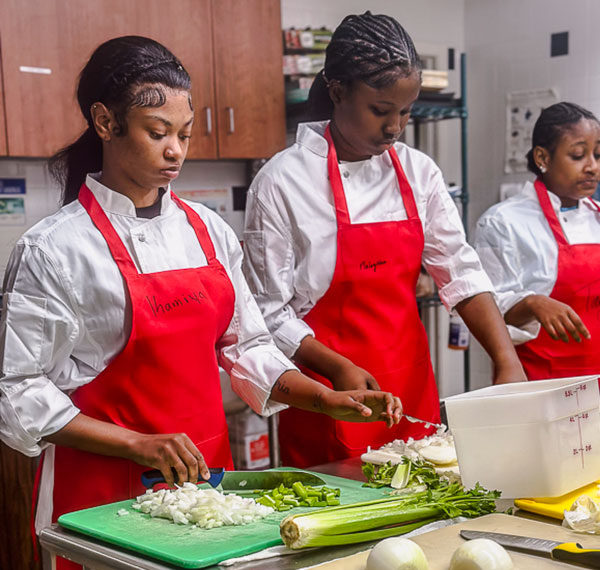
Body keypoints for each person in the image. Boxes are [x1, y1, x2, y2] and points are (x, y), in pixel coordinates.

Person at [0, 36, 403, 568]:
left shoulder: (208, 231)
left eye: (184, 134)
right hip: (99, 495)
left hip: (206, 487)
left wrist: (321, 398)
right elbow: (16, 390)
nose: (175, 151)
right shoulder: (55, 248)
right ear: (104, 122)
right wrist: (137, 445)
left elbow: (247, 344)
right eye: (157, 132)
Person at [243, 12, 526, 469]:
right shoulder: (282, 182)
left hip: (412, 392)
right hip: (328, 397)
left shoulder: (418, 172)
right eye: (380, 110)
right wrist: (338, 369)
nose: (395, 127)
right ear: (337, 92)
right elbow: (268, 314)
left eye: (406, 112)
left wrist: (505, 357)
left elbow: (461, 271)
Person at [475, 102, 600, 395]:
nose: (592, 166)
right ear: (543, 157)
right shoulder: (503, 221)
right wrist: (532, 303)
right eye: (578, 155)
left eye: (597, 154)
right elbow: (487, 308)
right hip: (539, 385)